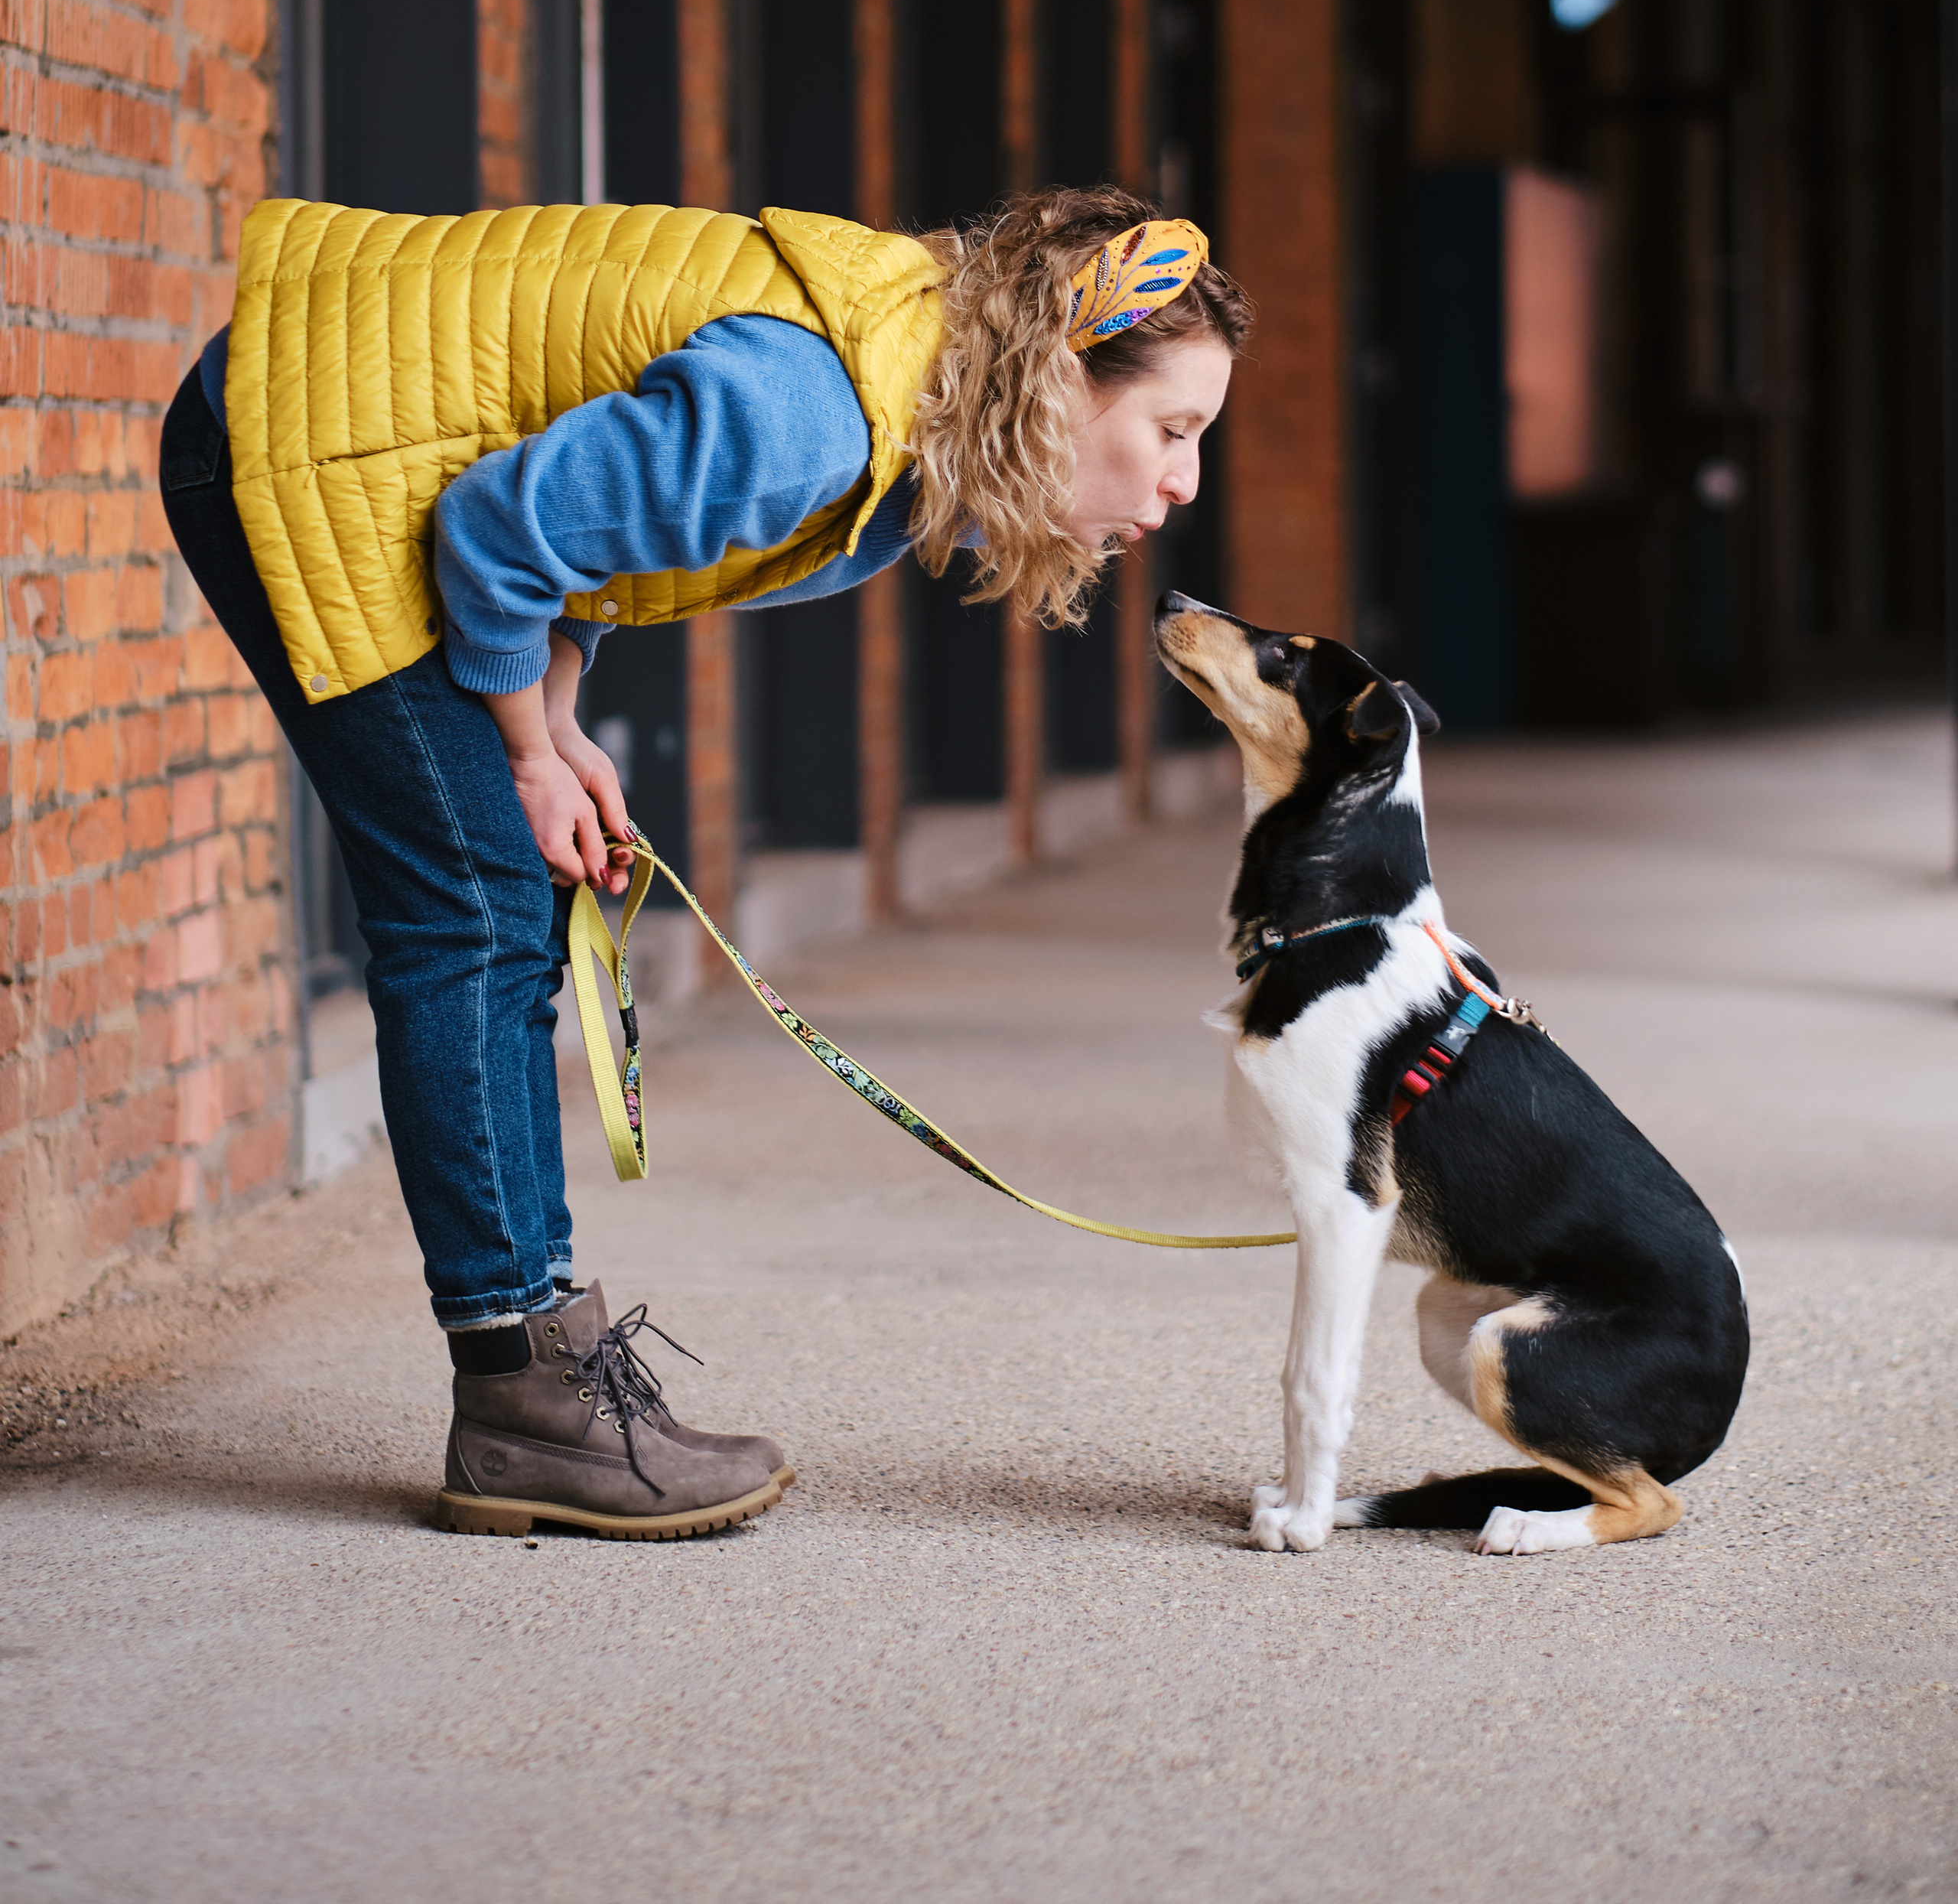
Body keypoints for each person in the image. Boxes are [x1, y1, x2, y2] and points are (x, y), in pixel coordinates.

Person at [160, 183, 1251, 1540]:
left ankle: (539, 1376)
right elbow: (499, 530)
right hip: (303, 434)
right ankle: (527, 1400)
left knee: (501, 895)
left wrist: (550, 724)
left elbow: (582, 537)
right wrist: (522, 751)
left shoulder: (895, 394)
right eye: (1172, 429)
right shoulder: (815, 418)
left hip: (370, 436)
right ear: (1056, 379)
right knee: (475, 914)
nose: (1184, 479)